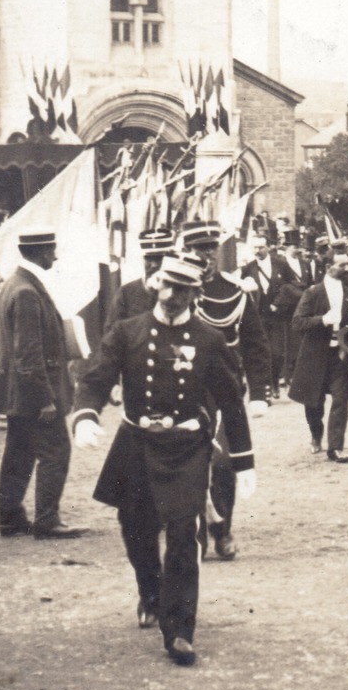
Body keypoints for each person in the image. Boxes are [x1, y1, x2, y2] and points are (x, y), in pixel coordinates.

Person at [72, 257, 256, 666]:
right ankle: (150, 593)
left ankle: (179, 630)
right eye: (168, 286)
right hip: (135, 443)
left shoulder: (209, 340)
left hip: (186, 446)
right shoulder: (126, 333)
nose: (173, 296)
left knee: (183, 533)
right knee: (135, 527)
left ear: (195, 293)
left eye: (183, 289)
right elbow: (96, 379)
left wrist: (244, 461)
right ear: (156, 284)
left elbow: (230, 402)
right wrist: (85, 415)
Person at [179, 222, 270, 561]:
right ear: (185, 251)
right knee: (189, 464)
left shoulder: (233, 292)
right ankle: (199, 532)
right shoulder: (172, 291)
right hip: (184, 393)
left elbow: (256, 346)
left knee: (222, 463)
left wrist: (259, 393)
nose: (207, 255)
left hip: (225, 392)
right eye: (199, 248)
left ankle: (223, 528)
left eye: (210, 248)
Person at [0, 227, 85, 539]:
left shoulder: (14, 285)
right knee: (56, 450)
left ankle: (11, 517)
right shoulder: (28, 292)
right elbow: (28, 354)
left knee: (18, 453)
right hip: (34, 392)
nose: (55, 256)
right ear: (42, 252)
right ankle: (47, 519)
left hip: (19, 391)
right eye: (52, 250)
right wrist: (45, 398)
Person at [287, 248, 348, 463]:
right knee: (313, 403)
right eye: (342, 265)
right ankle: (316, 433)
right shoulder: (312, 293)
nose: (347, 268)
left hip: (340, 356)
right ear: (328, 268)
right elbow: (297, 322)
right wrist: (322, 320)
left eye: (347, 264)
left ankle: (336, 447)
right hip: (314, 355)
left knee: (341, 399)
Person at [239, 233, 296, 396]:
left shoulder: (281, 264)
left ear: (268, 247)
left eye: (261, 247)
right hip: (257, 316)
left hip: (277, 316)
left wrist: (278, 303)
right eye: (255, 247)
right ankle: (268, 386)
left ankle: (275, 381)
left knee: (277, 353)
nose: (258, 251)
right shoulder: (248, 268)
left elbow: (291, 285)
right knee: (261, 351)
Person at [106, 228, 174, 334]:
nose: (154, 264)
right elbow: (111, 333)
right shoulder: (126, 293)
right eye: (149, 258)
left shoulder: (179, 292)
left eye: (159, 258)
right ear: (143, 259)